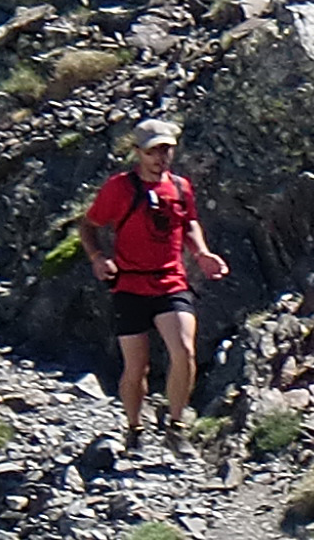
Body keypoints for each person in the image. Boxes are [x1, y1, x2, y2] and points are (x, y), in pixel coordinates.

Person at [80, 117, 225, 451]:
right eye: (153, 152)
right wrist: (98, 258)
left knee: (184, 350)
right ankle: (134, 427)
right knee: (136, 368)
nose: (161, 158)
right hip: (129, 286)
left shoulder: (179, 187)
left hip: (171, 282)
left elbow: (188, 223)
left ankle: (175, 426)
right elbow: (88, 225)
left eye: (166, 150)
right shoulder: (119, 188)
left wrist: (202, 253)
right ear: (137, 153)